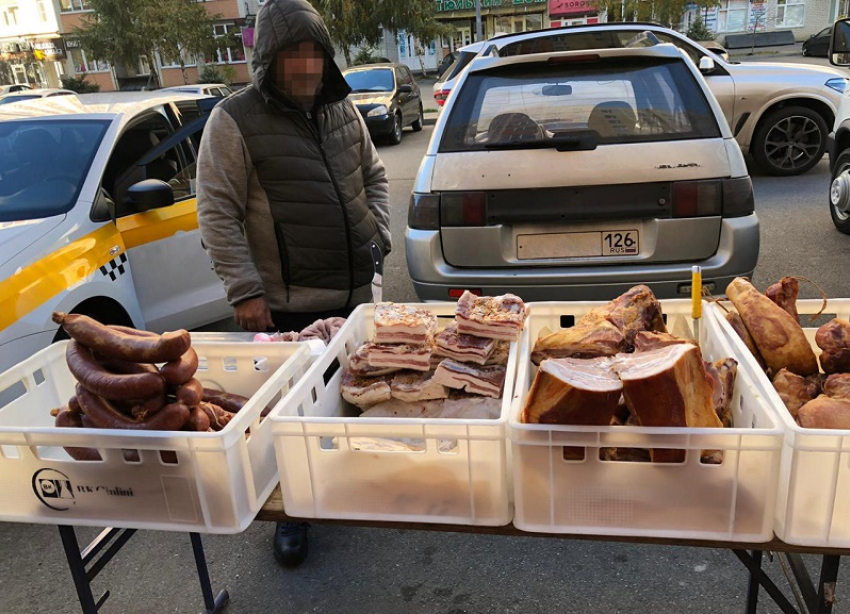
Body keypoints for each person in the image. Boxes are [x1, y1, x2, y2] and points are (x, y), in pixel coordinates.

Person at [196, 0, 391, 568]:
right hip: (289, 303)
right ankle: (294, 513)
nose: (305, 65)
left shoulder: (342, 109)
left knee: (356, 394)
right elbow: (216, 211)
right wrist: (244, 290)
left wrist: (377, 234)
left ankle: (351, 484)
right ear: (268, 59)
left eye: (314, 52)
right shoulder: (234, 119)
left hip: (355, 293)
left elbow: (375, 175)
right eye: (291, 54)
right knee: (292, 417)